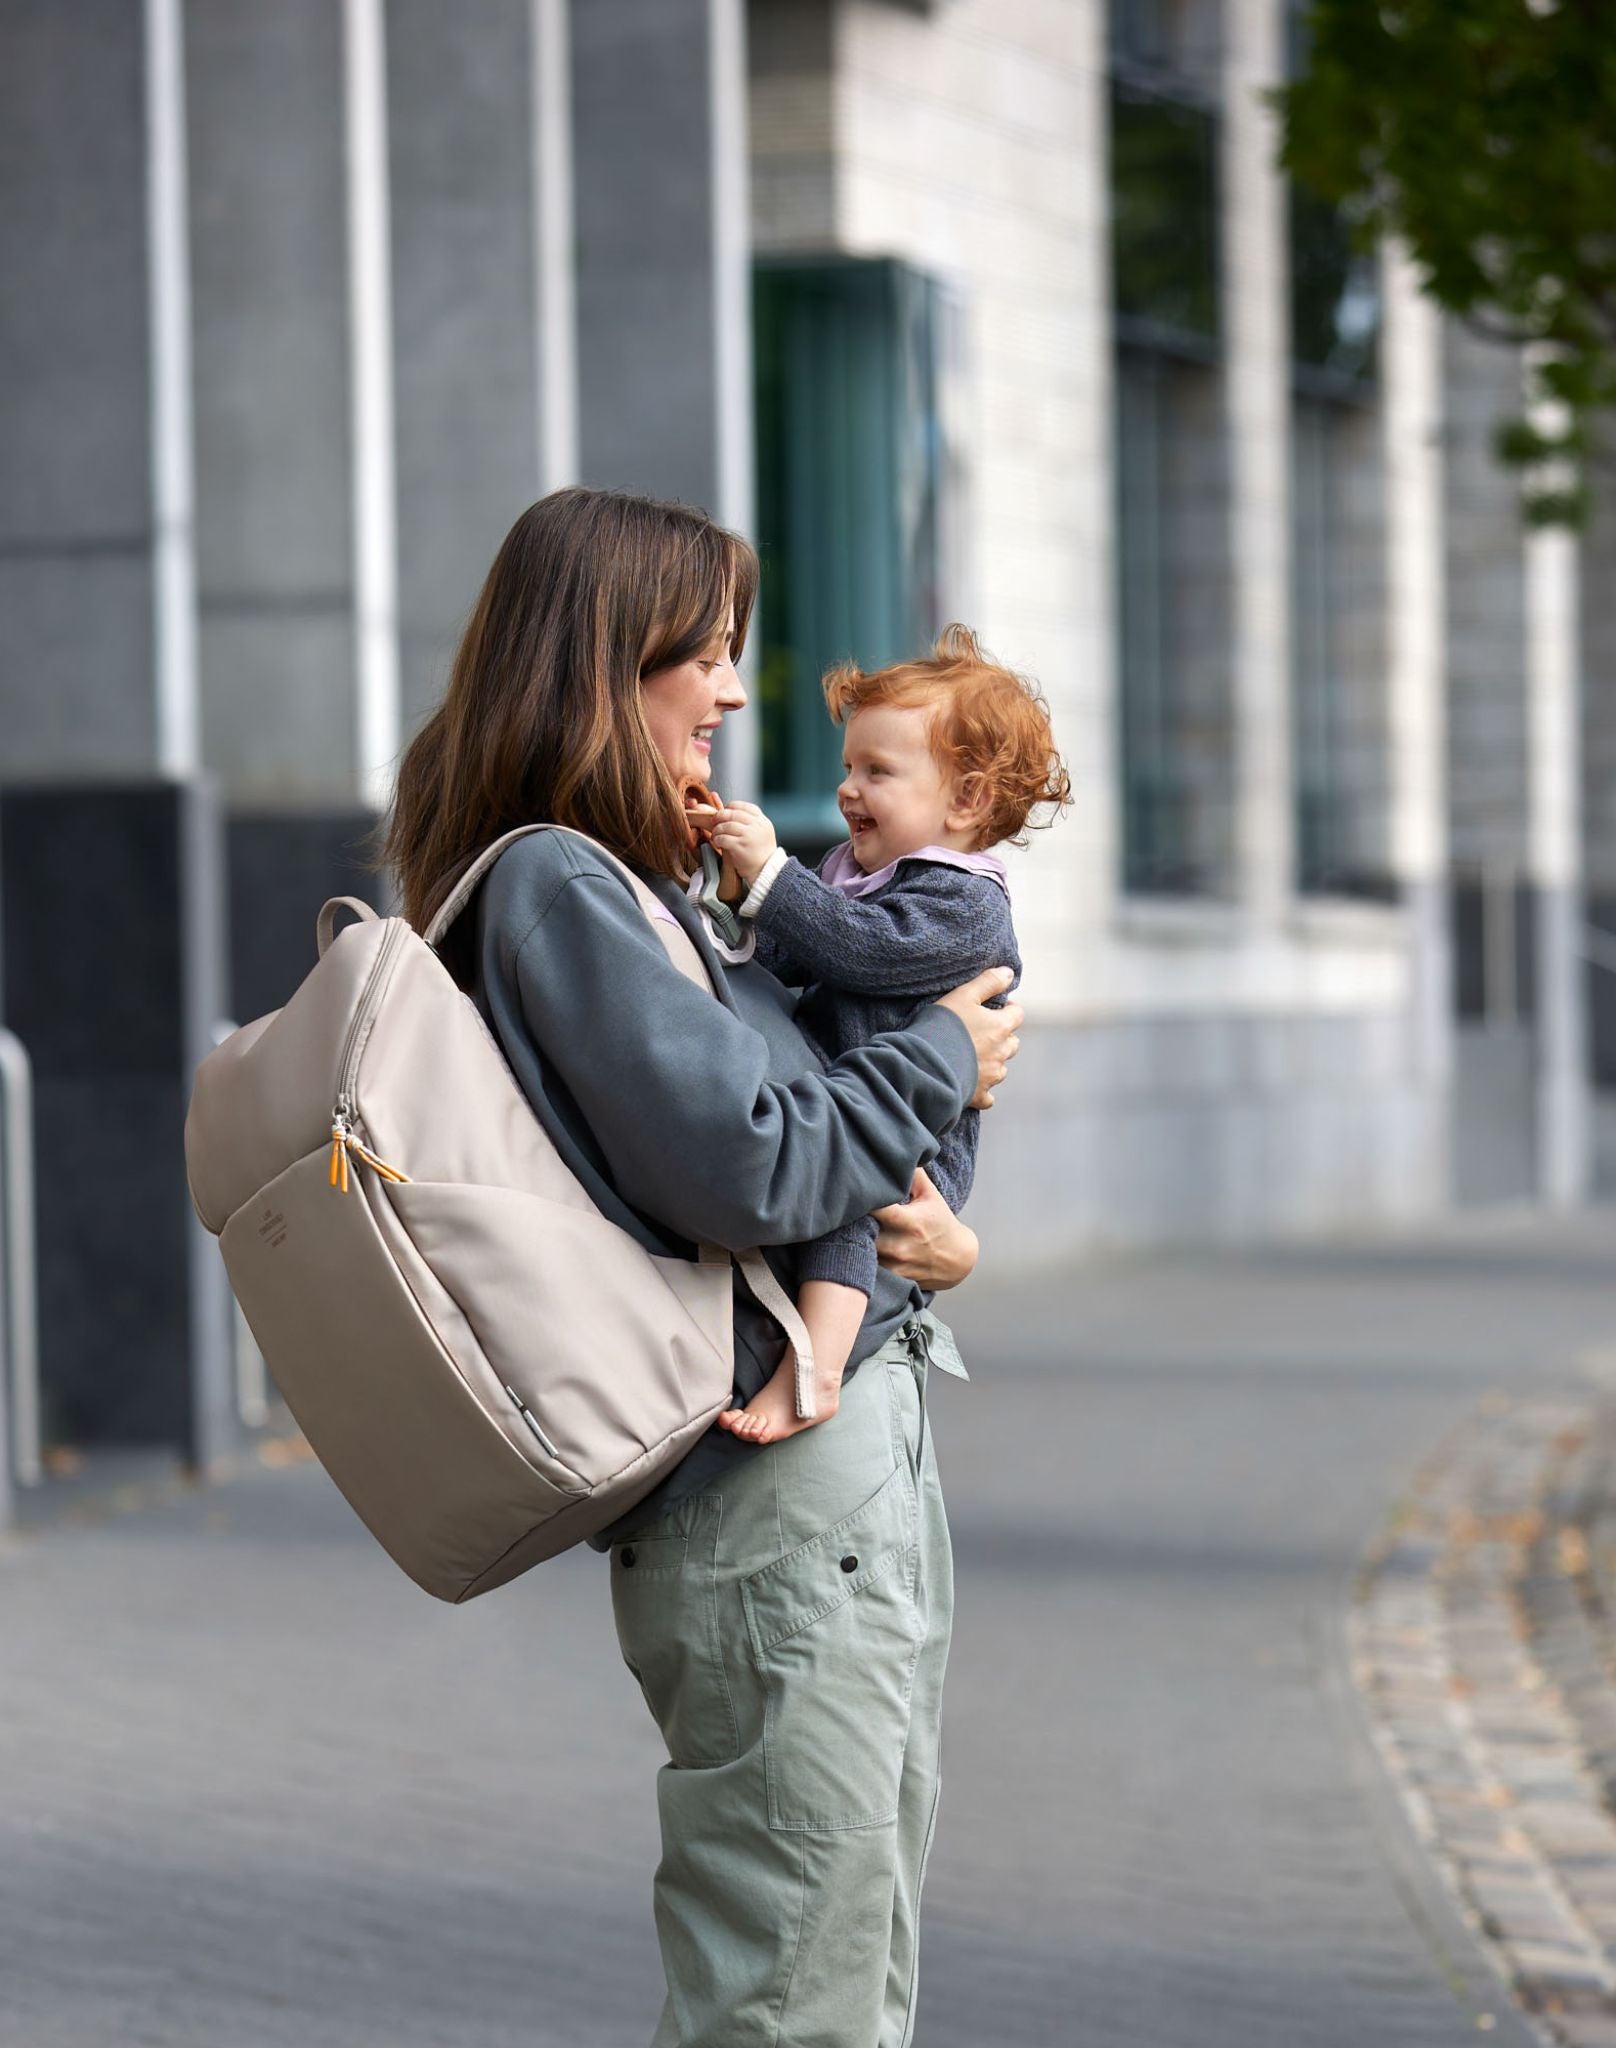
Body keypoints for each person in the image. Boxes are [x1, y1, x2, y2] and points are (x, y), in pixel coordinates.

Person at [383, 486, 1021, 2048]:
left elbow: (793, 1151)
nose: (736, 693)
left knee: (837, 1962)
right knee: (790, 1992)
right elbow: (755, 1157)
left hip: (833, 1479)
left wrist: (935, 1249)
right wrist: (946, 1050)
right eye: (715, 653)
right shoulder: (559, 885)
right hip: (777, 1497)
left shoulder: (628, 879)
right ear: (616, 659)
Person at [704, 627, 1071, 1445]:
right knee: (838, 1180)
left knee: (848, 1204)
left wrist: (775, 879)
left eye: (878, 772)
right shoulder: (863, 873)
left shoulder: (964, 904)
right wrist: (737, 898)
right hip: (858, 1098)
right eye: (847, 767)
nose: (847, 790)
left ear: (966, 800)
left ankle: (818, 1370)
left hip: (914, 1139)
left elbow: (864, 949)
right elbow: (798, 958)